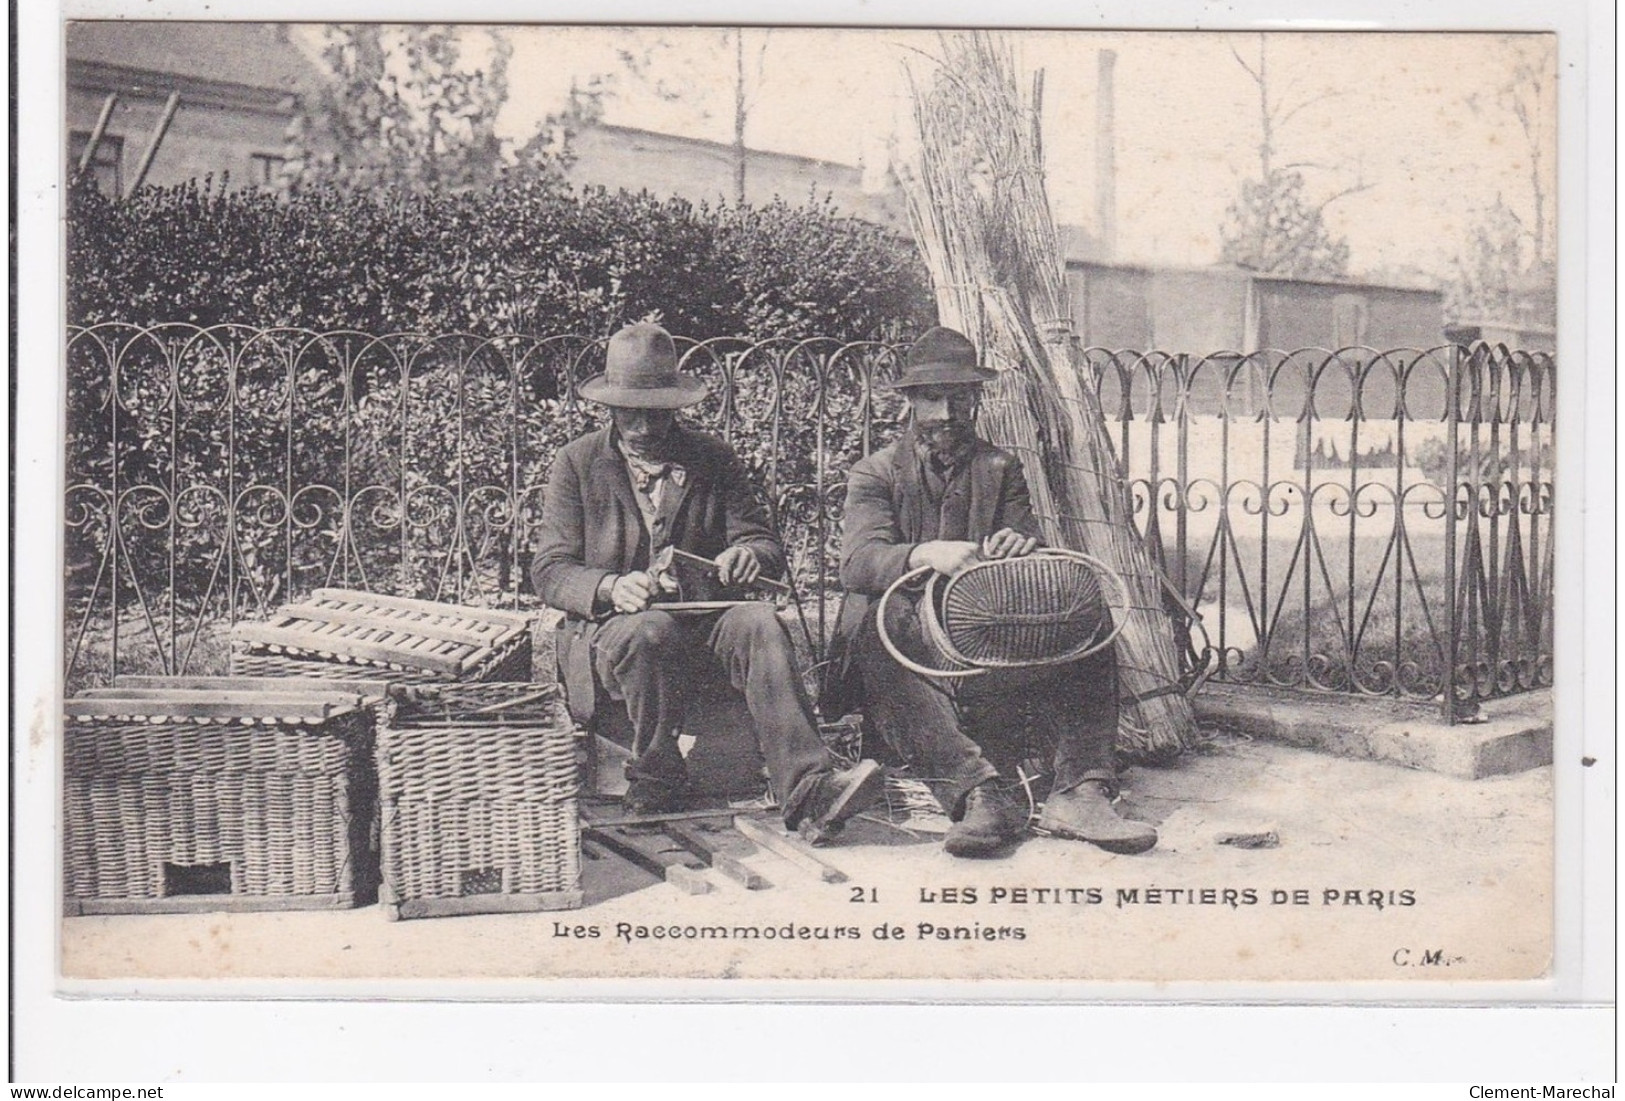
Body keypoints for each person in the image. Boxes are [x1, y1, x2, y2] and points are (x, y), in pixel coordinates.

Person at [533, 321, 883, 841]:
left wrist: (746, 555)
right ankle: (656, 772)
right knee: (647, 630)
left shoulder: (713, 459)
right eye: (630, 411)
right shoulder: (579, 464)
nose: (644, 427)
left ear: (676, 407)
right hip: (618, 629)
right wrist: (609, 587)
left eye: (656, 413)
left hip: (705, 617)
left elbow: (762, 543)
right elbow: (550, 569)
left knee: (761, 622)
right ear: (608, 407)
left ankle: (810, 787)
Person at [825, 326, 1158, 858]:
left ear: (976, 399)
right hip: (902, 632)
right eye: (934, 398)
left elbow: (1027, 540)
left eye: (960, 397)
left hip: (982, 624)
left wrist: (1018, 543)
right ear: (911, 401)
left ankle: (1081, 789)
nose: (948, 413)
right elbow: (858, 565)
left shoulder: (1000, 467)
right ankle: (978, 793)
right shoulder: (876, 473)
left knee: (1085, 613)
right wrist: (924, 553)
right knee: (879, 622)